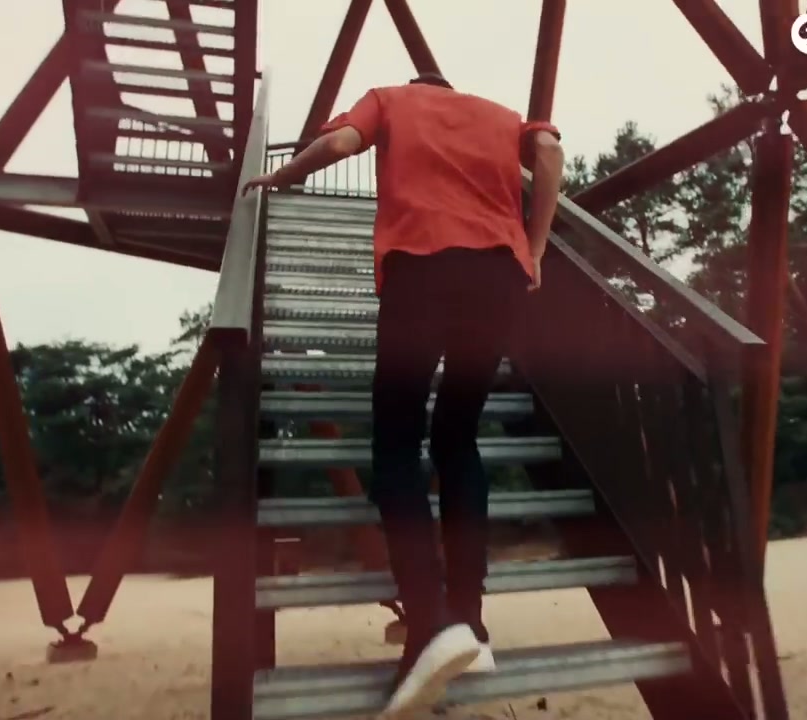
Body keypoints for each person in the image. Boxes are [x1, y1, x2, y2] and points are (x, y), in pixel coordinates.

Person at [242, 71, 565, 718]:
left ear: (418, 87)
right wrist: (533, 249)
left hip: (421, 270)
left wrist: (282, 177)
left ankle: (428, 624)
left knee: (395, 444)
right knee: (458, 440)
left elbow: (339, 145)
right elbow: (552, 152)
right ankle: (470, 621)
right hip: (498, 276)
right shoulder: (498, 113)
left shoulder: (391, 99)